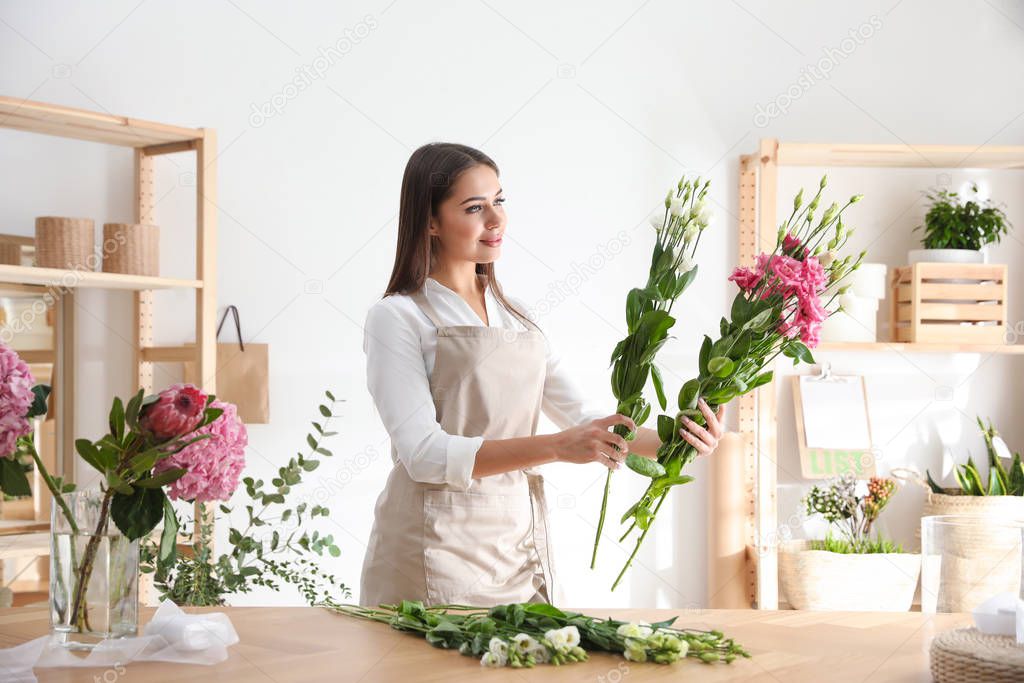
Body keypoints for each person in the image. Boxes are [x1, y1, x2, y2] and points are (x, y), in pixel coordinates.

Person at [358, 142, 725, 608]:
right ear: (429, 221)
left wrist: (677, 440)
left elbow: (588, 419)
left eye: (499, 201)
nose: (496, 220)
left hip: (518, 545)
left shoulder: (519, 318)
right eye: (475, 208)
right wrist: (554, 447)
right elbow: (425, 455)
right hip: (433, 549)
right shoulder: (398, 317)